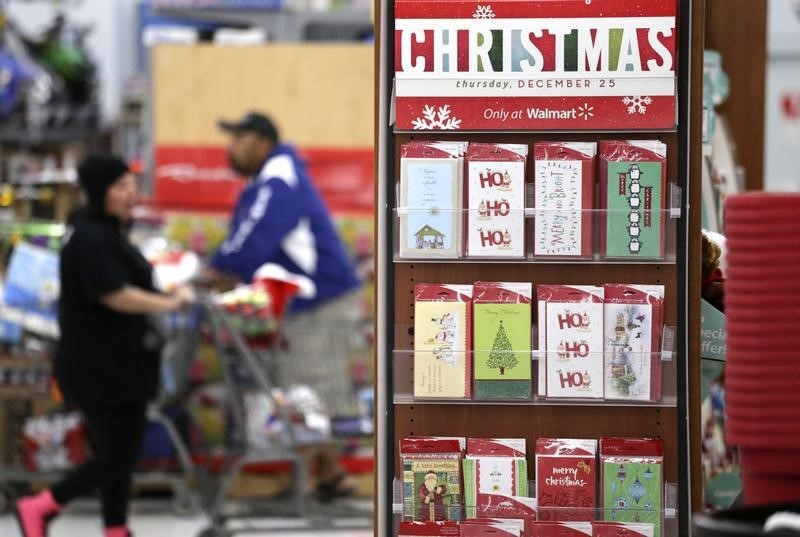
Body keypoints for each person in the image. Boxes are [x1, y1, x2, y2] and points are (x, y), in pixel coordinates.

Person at [15, 154, 195, 537]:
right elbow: (112, 294)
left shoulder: (106, 233)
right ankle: (41, 506)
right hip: (101, 367)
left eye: (131, 184)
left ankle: (116, 529)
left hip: (116, 365)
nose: (130, 193)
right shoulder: (92, 237)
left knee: (118, 453)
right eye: (119, 187)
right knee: (119, 455)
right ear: (100, 193)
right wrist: (169, 302)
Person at [206, 111, 362, 499]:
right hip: (306, 301)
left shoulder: (278, 180)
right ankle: (330, 475)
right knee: (301, 392)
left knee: (308, 393)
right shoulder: (267, 180)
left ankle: (327, 475)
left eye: (238, 139)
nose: (231, 149)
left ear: (262, 141)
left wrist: (215, 269)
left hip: (320, 301)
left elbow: (252, 238)